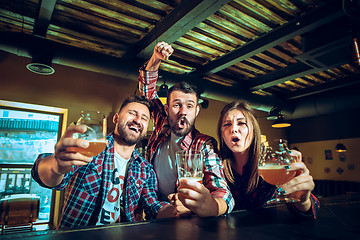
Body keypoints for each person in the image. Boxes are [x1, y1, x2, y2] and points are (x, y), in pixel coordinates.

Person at [31, 95, 177, 229]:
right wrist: (55, 167)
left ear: (146, 129)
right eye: (132, 113)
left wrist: (178, 208)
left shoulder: (146, 169)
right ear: (116, 118)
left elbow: (153, 206)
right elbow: (49, 178)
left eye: (144, 118)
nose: (138, 120)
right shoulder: (90, 148)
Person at [138, 42, 234, 217]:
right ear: (167, 110)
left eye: (189, 106)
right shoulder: (162, 124)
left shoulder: (204, 144)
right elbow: (147, 93)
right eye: (177, 105)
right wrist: (155, 60)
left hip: (189, 220)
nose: (183, 112)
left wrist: (205, 206)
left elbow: (222, 191)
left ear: (196, 111)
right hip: (155, 214)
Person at [217, 101, 320, 218]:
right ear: (222, 133)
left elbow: (309, 212)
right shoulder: (215, 166)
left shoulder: (273, 164)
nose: (233, 129)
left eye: (241, 123)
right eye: (226, 124)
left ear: (254, 130)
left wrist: (303, 201)